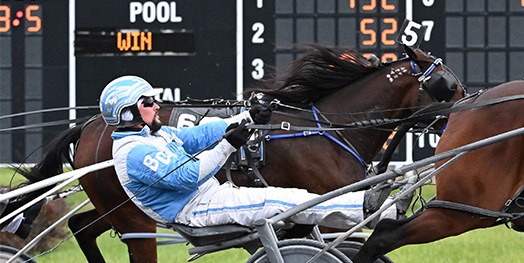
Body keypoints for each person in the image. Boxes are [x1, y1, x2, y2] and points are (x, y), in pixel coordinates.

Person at [101, 75, 394, 231]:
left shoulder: (153, 133)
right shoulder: (135, 153)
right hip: (194, 210)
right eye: (148, 102)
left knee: (291, 202)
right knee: (285, 201)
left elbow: (196, 136)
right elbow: (188, 177)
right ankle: (373, 208)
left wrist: (245, 119)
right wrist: (231, 143)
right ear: (128, 114)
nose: (156, 105)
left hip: (208, 196)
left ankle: (375, 212)